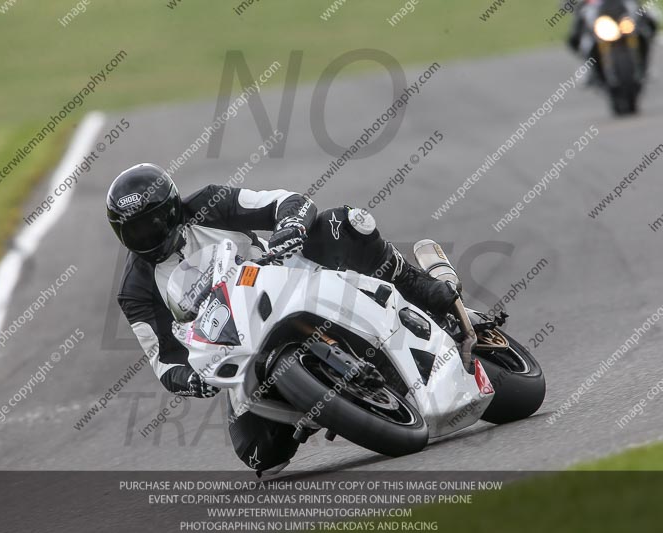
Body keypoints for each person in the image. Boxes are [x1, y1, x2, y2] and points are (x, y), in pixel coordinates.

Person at [106, 163, 458, 473]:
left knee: (343, 224)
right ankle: (317, 399)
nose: (148, 236)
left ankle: (422, 287)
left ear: (172, 208)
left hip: (282, 278)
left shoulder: (209, 203)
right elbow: (165, 361)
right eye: (136, 231)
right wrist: (191, 380)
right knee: (261, 455)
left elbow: (289, 202)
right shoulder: (135, 289)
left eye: (154, 223)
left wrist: (290, 226)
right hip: (236, 344)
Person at [567, 0, 657, 82]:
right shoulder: (588, 8)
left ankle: (644, 66)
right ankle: (590, 70)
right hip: (597, 13)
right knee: (578, 37)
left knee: (645, 27)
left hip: (622, 9)